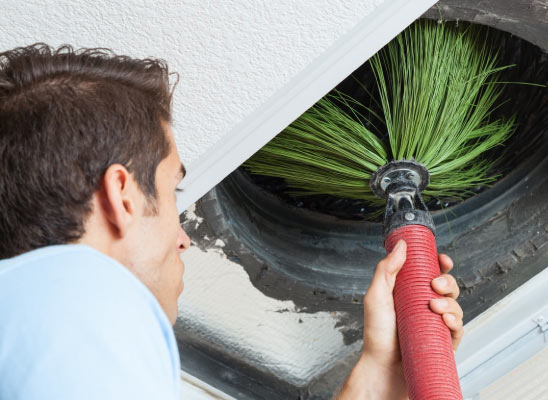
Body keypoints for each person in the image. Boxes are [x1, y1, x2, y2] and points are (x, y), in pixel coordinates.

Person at [0, 44, 464, 399]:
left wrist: (382, 372)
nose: (184, 239)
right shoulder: (83, 302)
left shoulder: (35, 325)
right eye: (171, 191)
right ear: (121, 195)